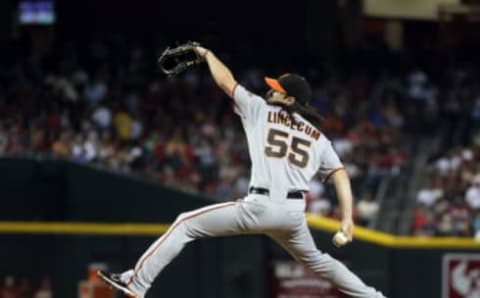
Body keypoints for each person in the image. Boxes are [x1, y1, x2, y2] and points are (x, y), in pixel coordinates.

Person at [97, 45, 386, 298]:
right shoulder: (318, 137)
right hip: (293, 215)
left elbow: (226, 82)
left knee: (185, 223)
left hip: (260, 205)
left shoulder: (260, 109)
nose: (271, 90)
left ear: (289, 100)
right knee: (320, 262)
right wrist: (347, 219)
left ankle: (137, 282)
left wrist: (206, 54)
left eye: (278, 90)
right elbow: (340, 174)